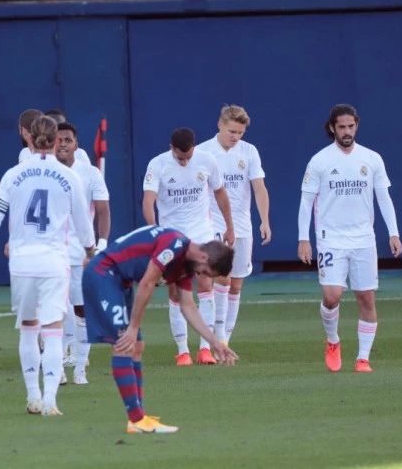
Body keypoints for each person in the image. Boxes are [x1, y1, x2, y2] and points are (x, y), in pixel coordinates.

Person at [0, 114, 95, 416]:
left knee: (29, 330)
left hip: (22, 264)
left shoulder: (13, 175)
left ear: (29, 138)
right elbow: (84, 226)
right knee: (54, 331)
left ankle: (33, 397)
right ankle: (51, 401)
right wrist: (91, 252)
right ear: (56, 140)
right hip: (54, 263)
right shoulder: (70, 177)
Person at [83, 225, 238, 433]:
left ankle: (139, 417)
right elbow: (147, 283)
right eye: (205, 272)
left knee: (137, 347)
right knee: (124, 345)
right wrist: (133, 327)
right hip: (103, 274)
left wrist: (214, 342)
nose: (201, 275)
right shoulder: (174, 245)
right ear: (203, 257)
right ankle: (136, 420)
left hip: (120, 281)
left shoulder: (186, 264)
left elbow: (187, 305)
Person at [298, 104, 401, 373]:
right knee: (332, 297)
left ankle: (363, 358)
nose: (346, 131)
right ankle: (333, 340)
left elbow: (384, 198)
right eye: (341, 127)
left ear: (357, 126)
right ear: (332, 127)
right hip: (330, 238)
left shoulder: (371, 159)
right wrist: (303, 238)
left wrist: (393, 232)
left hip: (363, 239)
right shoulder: (320, 160)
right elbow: (306, 202)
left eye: (350, 126)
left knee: (366, 298)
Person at [142, 127, 235, 365]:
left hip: (202, 233)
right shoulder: (157, 164)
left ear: (194, 148)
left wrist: (230, 226)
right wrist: (155, 232)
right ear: (171, 148)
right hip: (173, 237)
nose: (185, 161)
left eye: (188, 156)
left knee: (205, 285)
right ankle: (183, 351)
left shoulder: (207, 160)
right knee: (176, 292)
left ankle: (205, 349)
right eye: (180, 157)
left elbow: (220, 193)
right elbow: (148, 201)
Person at [197, 105, 271, 347]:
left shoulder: (249, 152)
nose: (235, 137)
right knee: (222, 278)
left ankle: (225, 340)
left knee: (236, 286)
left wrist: (265, 220)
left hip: (242, 226)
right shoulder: (203, 152)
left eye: (240, 132)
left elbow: (259, 188)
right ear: (220, 125)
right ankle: (216, 337)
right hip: (214, 224)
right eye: (231, 131)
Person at [55, 122, 110, 383]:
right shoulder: (44, 171)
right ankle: (57, 366)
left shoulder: (89, 173)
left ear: (76, 145)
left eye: (67, 140)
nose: (62, 144)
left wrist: (101, 245)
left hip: (81, 254)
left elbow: (103, 211)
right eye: (58, 140)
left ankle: (79, 368)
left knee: (81, 310)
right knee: (54, 311)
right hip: (52, 253)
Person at [19, 108, 90, 165]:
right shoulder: (26, 152)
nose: (56, 130)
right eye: (51, 126)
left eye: (60, 126)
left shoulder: (79, 154)